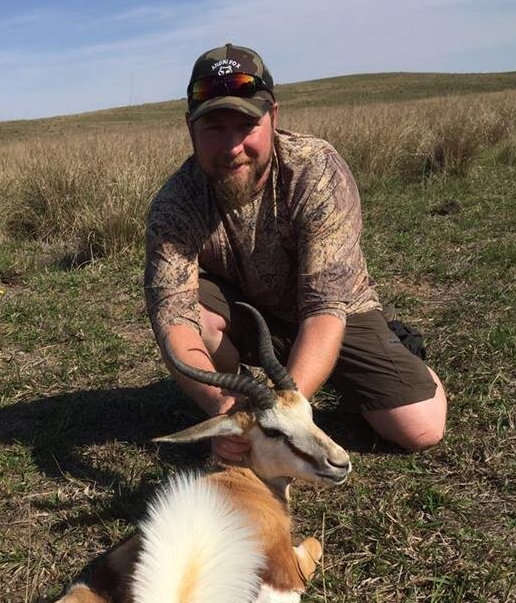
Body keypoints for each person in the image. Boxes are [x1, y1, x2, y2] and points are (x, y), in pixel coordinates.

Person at [144, 44, 447, 463]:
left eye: (246, 124)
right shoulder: (175, 204)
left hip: (335, 313)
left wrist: (286, 416)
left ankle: (396, 349)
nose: (232, 146)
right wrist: (223, 409)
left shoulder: (315, 170)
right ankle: (243, 399)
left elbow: (324, 308)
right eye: (214, 128)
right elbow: (172, 319)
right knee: (196, 316)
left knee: (420, 428)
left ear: (273, 117)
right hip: (250, 313)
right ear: (190, 128)